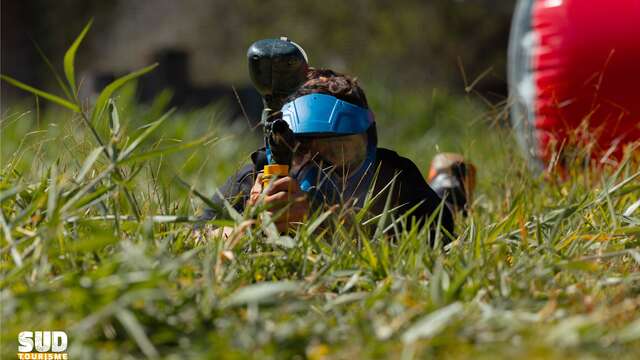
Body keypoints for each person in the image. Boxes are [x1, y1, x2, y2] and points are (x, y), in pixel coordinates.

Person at [203, 68, 465, 244]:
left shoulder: (391, 178)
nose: (320, 170)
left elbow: (441, 235)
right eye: (301, 151)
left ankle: (448, 181)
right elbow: (191, 234)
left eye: (340, 151)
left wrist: (326, 225)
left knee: (451, 205)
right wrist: (249, 227)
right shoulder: (257, 179)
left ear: (369, 144)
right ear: (279, 148)